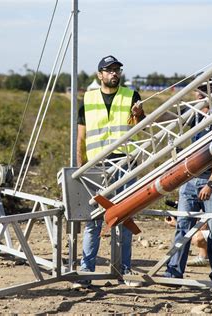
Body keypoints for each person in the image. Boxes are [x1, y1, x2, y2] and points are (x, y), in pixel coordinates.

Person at [74, 55, 145, 288]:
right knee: (93, 221)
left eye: (117, 69)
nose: (114, 73)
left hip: (124, 163)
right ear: (100, 75)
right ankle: (86, 271)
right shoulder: (89, 98)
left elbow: (140, 126)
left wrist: (139, 114)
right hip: (96, 165)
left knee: (125, 216)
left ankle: (125, 269)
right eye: (109, 70)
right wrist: (80, 167)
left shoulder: (131, 96)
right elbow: (81, 137)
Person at [163, 81, 212, 290]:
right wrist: (143, 115)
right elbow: (167, 120)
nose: (197, 94)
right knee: (182, 226)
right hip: (190, 179)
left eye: (202, 91)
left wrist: (211, 183)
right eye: (197, 90)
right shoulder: (192, 113)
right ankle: (173, 274)